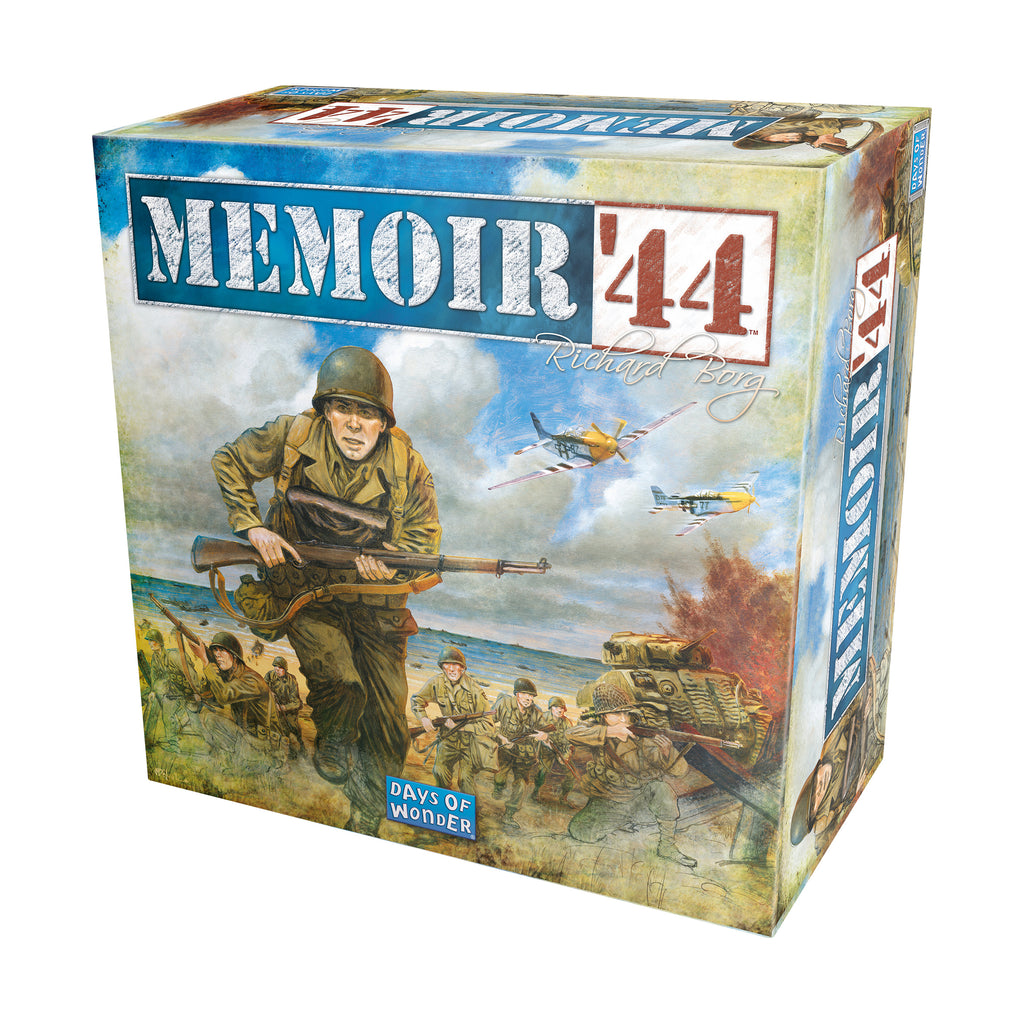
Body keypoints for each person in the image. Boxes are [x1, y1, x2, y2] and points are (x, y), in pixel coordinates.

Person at [211, 346, 441, 834]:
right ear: (325, 411)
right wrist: (253, 527)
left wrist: (389, 569)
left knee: (387, 723)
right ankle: (333, 737)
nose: (354, 424)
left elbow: (424, 545)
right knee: (340, 679)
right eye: (343, 408)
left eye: (368, 413)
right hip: (307, 593)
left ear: (384, 422)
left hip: (377, 610)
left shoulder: (409, 467)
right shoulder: (294, 436)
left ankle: (367, 819)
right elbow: (228, 459)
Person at [566, 682, 696, 868]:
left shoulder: (641, 736)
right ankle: (622, 822)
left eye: (625, 713)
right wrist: (610, 732)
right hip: (611, 800)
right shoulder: (596, 730)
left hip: (640, 797)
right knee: (580, 831)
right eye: (615, 714)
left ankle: (667, 846)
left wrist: (667, 753)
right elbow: (571, 734)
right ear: (603, 716)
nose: (623, 719)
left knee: (661, 789)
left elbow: (680, 771)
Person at [187, 631, 286, 773]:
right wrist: (212, 673)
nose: (217, 655)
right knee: (210, 718)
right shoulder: (231, 676)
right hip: (247, 738)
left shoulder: (251, 679)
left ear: (234, 655)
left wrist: (205, 661)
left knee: (212, 721)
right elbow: (214, 700)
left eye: (222, 650)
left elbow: (224, 696)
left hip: (266, 745)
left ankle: (261, 762)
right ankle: (242, 759)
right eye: (215, 650)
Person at [411, 646, 495, 795]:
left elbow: (488, 725)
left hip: (470, 743)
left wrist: (461, 728)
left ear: (462, 668)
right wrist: (423, 718)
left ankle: (469, 808)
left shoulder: (475, 690)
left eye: (456, 665)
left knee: (465, 780)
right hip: (447, 739)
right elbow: (417, 699)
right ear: (442, 667)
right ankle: (446, 799)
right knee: (439, 771)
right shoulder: (436, 683)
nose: (451, 669)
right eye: (447, 664)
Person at [491, 678, 547, 831]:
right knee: (500, 775)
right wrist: (500, 737)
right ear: (517, 694)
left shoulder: (535, 712)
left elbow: (545, 730)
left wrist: (544, 735)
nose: (529, 698)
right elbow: (488, 722)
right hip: (505, 749)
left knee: (521, 784)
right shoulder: (504, 704)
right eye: (525, 694)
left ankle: (509, 815)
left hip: (524, 754)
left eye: (531, 696)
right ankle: (498, 787)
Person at [142, 627, 199, 753]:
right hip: (172, 693)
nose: (150, 644)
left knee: (195, 722)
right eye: (149, 641)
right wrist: (153, 690)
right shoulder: (155, 657)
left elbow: (191, 673)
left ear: (159, 642)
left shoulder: (173, 656)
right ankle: (174, 745)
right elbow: (154, 675)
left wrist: (196, 691)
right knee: (168, 717)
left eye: (152, 641)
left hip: (185, 691)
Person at [531, 696, 575, 805]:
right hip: (546, 749)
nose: (559, 710)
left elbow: (570, 743)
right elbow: (534, 732)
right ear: (551, 708)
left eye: (562, 708)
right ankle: (535, 792)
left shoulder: (567, 723)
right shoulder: (543, 718)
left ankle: (563, 798)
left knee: (571, 773)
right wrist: (543, 739)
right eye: (556, 707)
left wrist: (565, 756)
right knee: (542, 772)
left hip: (561, 750)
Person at [265, 655, 307, 759]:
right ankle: (290, 752)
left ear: (285, 669)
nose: (277, 670)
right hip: (276, 709)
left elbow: (296, 702)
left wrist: (283, 707)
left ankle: (302, 748)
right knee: (282, 731)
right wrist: (269, 692)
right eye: (275, 667)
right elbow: (263, 686)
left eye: (280, 668)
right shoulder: (270, 675)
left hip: (290, 711)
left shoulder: (291, 680)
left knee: (294, 729)